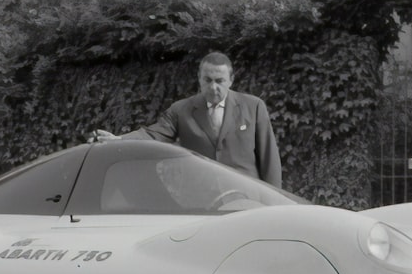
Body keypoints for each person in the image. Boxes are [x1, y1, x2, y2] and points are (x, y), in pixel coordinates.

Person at [96, 52, 282, 188]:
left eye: (219, 80)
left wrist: (276, 204)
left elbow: (269, 160)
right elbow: (152, 134)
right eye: (207, 80)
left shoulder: (254, 106)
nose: (213, 87)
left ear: (231, 80)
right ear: (199, 79)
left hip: (248, 200)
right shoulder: (181, 110)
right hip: (202, 199)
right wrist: (119, 140)